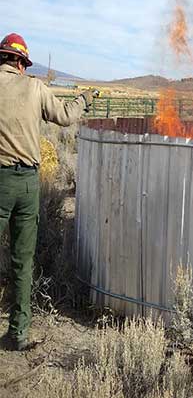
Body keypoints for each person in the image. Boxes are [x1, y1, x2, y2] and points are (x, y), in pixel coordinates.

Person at [0, 33, 98, 351]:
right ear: (22, 63)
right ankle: (18, 334)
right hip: (28, 184)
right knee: (22, 260)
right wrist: (84, 99)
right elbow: (65, 117)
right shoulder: (35, 88)